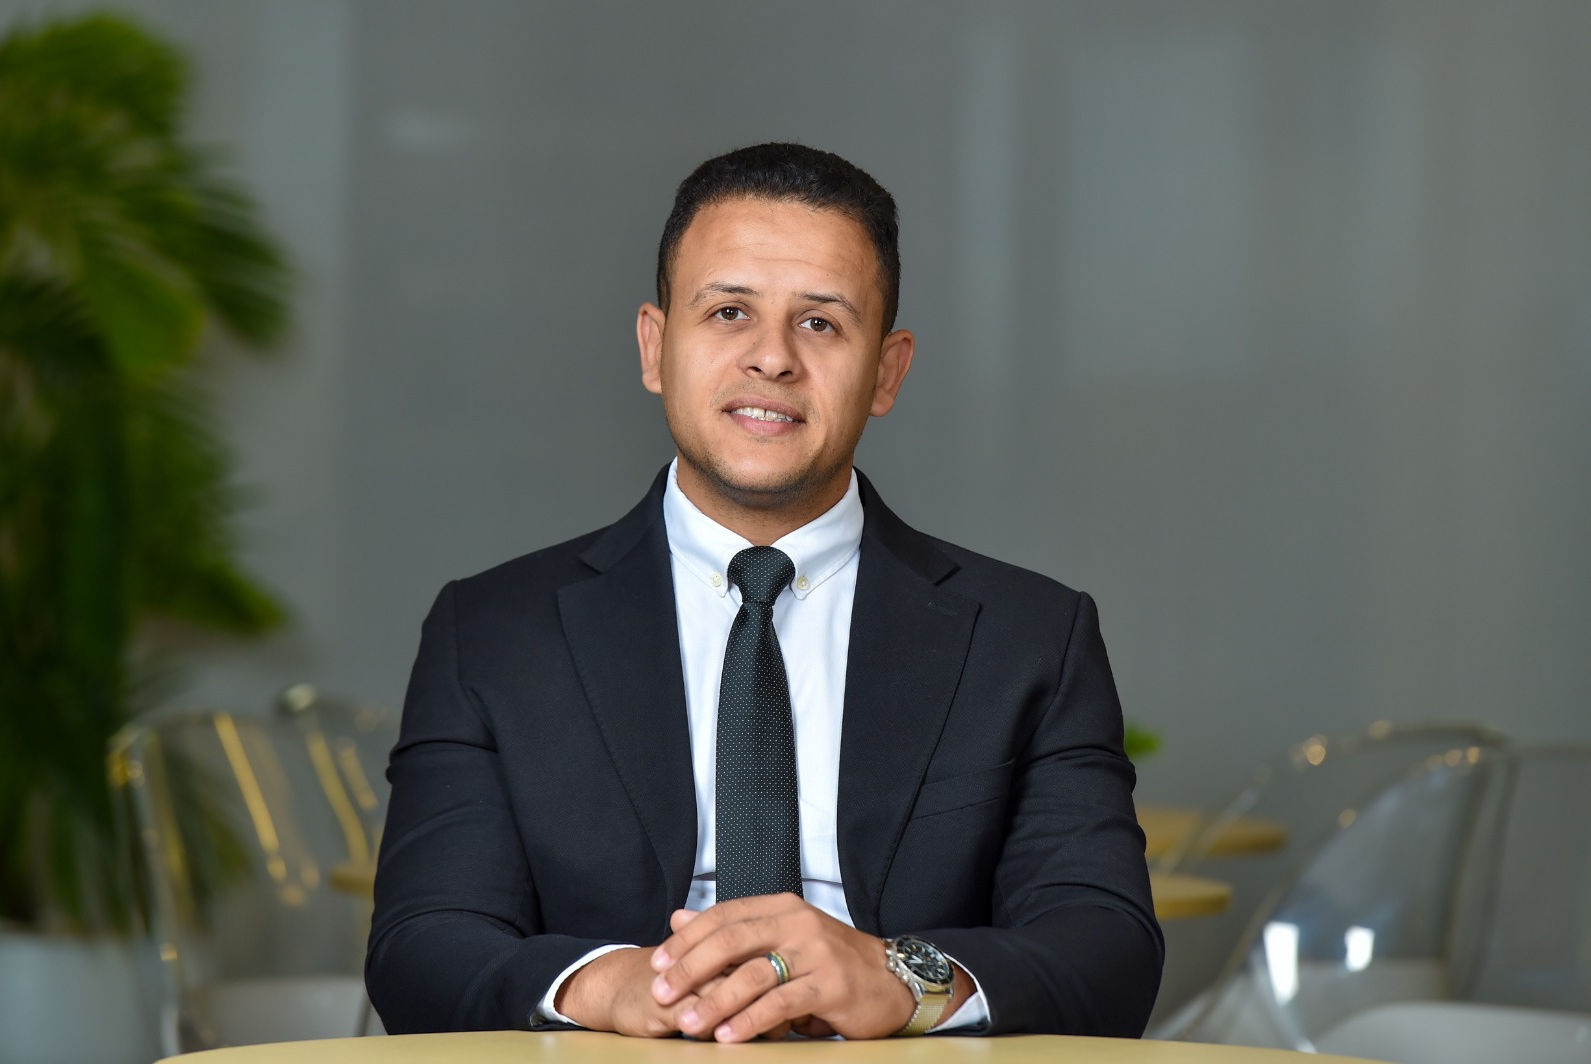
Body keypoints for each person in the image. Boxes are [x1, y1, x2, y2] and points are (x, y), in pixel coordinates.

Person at [365, 142, 1162, 1041]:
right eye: (729, 312)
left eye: (820, 322)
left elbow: (1108, 946)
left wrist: (899, 976)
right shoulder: (494, 633)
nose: (772, 358)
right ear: (656, 347)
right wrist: (612, 985)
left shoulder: (1029, 637)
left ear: (887, 371)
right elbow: (421, 946)